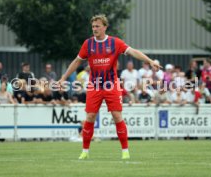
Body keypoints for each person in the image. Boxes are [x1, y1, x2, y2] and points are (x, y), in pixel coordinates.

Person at [57, 14, 161, 160]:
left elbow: (133, 51)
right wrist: (63, 78)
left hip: (111, 85)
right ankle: (85, 151)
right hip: (94, 86)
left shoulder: (115, 42)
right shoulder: (88, 44)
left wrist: (150, 61)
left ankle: (125, 151)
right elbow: (76, 62)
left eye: (97, 26)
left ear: (105, 27)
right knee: (90, 116)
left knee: (117, 116)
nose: (94, 29)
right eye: (93, 26)